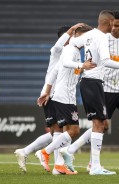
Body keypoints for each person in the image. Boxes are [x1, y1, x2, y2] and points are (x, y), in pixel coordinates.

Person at [60, 10, 119, 173]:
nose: (114, 28)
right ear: (109, 22)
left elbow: (72, 44)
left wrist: (78, 61)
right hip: (102, 85)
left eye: (117, 25)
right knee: (100, 125)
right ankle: (86, 160)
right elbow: (105, 61)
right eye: (113, 24)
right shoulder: (102, 37)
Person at [14, 23, 84, 172]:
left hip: (55, 94)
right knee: (60, 131)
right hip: (52, 95)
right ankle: (58, 166)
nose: (75, 38)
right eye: (72, 35)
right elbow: (57, 48)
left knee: (56, 132)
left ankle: (29, 152)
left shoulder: (71, 52)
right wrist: (70, 32)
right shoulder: (58, 52)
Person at [36, 24, 95, 175]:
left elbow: (55, 72)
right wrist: (83, 65)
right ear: (78, 35)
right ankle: (45, 152)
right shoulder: (69, 49)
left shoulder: (73, 50)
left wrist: (47, 92)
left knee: (66, 131)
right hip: (64, 97)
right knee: (74, 130)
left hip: (65, 95)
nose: (87, 41)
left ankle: (58, 166)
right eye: (85, 38)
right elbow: (66, 64)